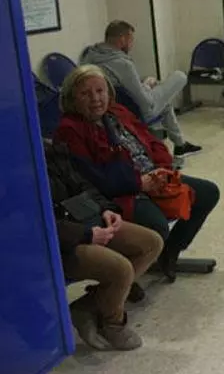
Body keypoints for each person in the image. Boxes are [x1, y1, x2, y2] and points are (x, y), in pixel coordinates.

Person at [54, 65, 220, 282]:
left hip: (152, 175)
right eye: (85, 93)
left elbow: (151, 140)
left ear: (109, 92)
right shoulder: (70, 129)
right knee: (157, 225)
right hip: (121, 193)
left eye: (100, 91)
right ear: (72, 98)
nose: (95, 99)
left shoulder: (118, 112)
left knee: (208, 192)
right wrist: (139, 183)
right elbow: (92, 178)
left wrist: (163, 169)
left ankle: (169, 252)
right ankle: (127, 276)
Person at [46, 139, 163, 351]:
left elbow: (83, 185)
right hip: (55, 243)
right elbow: (32, 221)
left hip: (83, 220)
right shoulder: (14, 166)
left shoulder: (50, 150)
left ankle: (87, 306)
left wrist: (106, 209)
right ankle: (112, 324)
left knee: (150, 243)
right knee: (120, 269)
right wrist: (86, 234)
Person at [81, 20, 201, 158]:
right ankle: (180, 146)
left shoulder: (89, 57)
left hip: (110, 110)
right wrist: (147, 87)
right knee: (179, 76)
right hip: (136, 111)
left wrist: (143, 86)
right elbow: (145, 102)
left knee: (165, 102)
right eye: (131, 40)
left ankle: (180, 145)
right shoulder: (123, 64)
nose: (132, 45)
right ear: (123, 39)